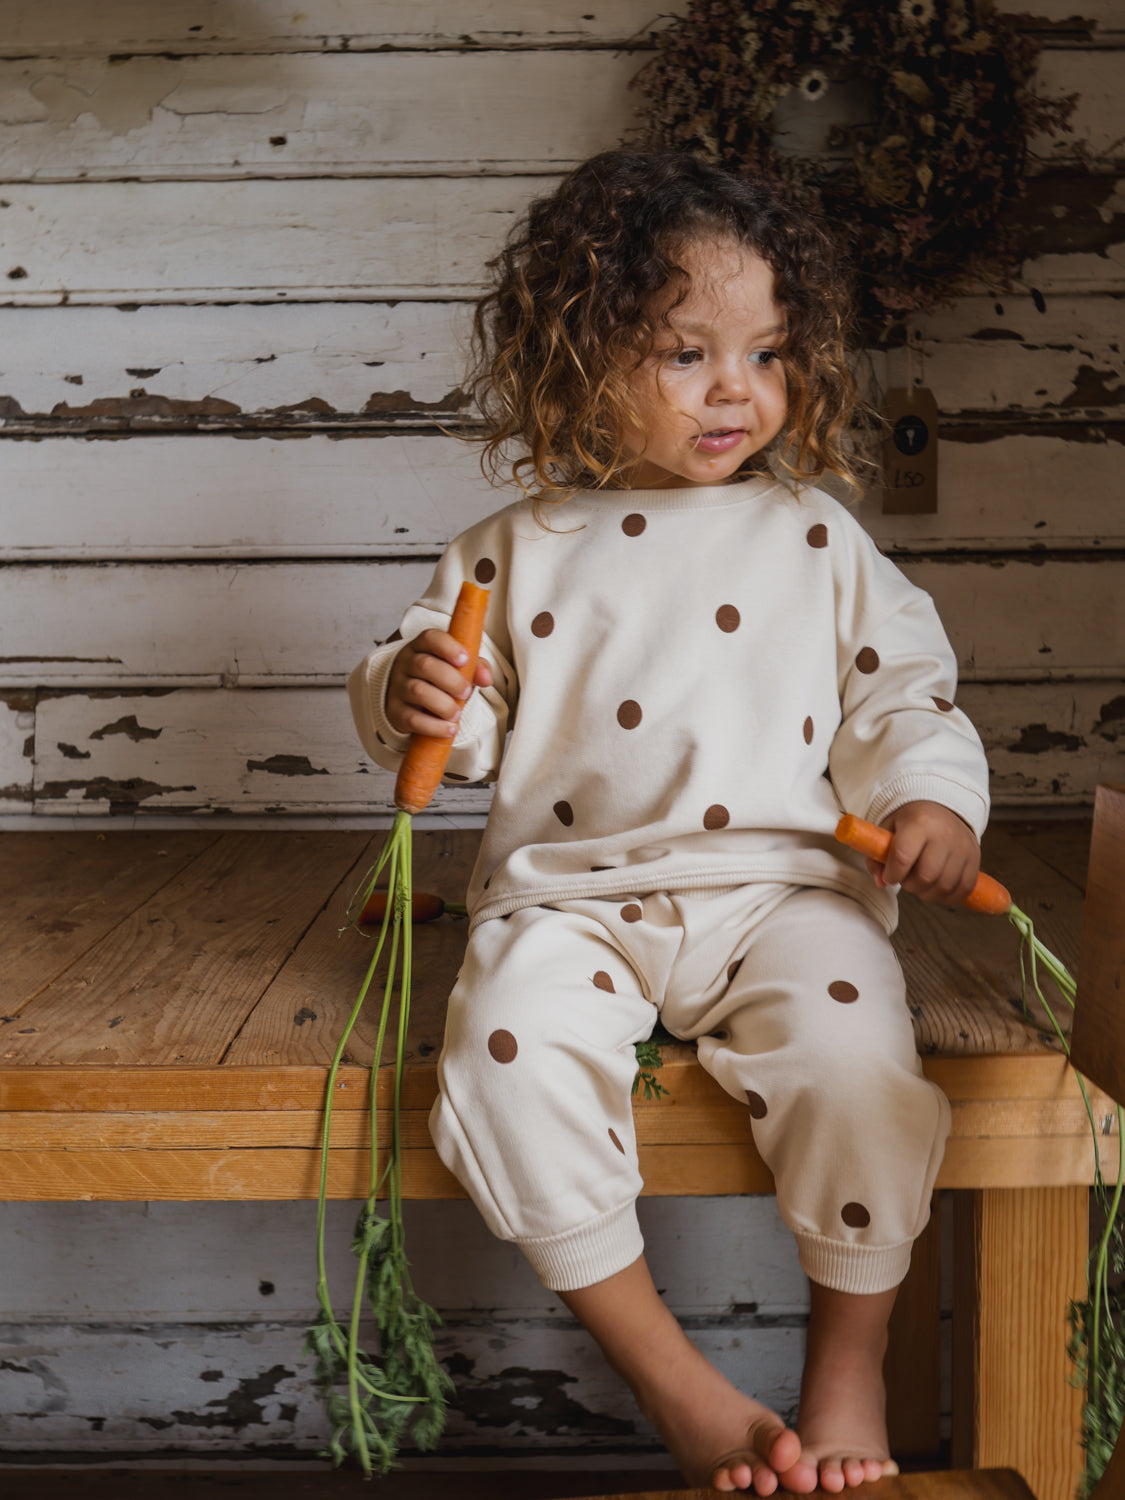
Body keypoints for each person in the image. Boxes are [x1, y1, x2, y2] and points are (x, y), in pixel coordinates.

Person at [348, 149, 988, 1494]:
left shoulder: (812, 536)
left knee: (862, 1064)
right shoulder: (511, 548)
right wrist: (418, 694)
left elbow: (902, 693)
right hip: (569, 899)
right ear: (577, 357)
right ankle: (673, 1381)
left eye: (764, 354)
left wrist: (930, 799)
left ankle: (846, 1357)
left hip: (780, 895)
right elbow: (445, 712)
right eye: (684, 351)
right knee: (501, 1059)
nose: (733, 391)